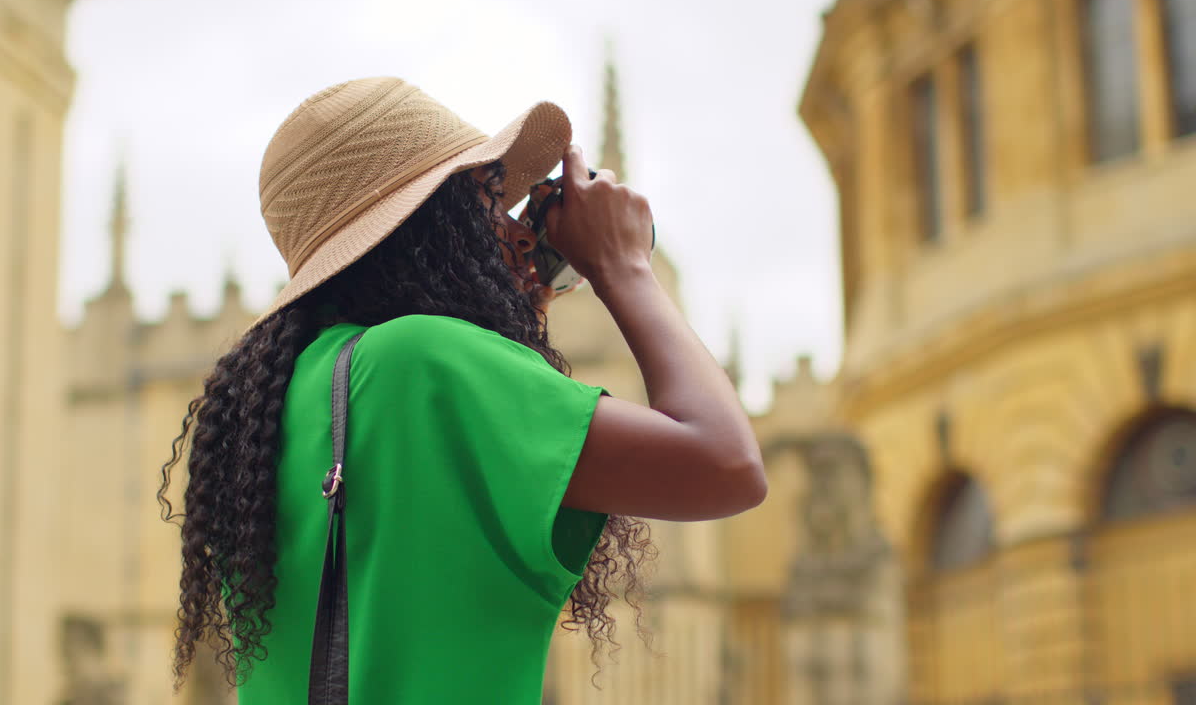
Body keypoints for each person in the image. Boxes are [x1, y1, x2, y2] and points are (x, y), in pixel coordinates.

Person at [159, 77, 766, 704]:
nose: (517, 231)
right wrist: (625, 267)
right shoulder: (428, 360)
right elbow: (728, 465)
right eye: (489, 200)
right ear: (435, 226)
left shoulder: (261, 403)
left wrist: (516, 322)